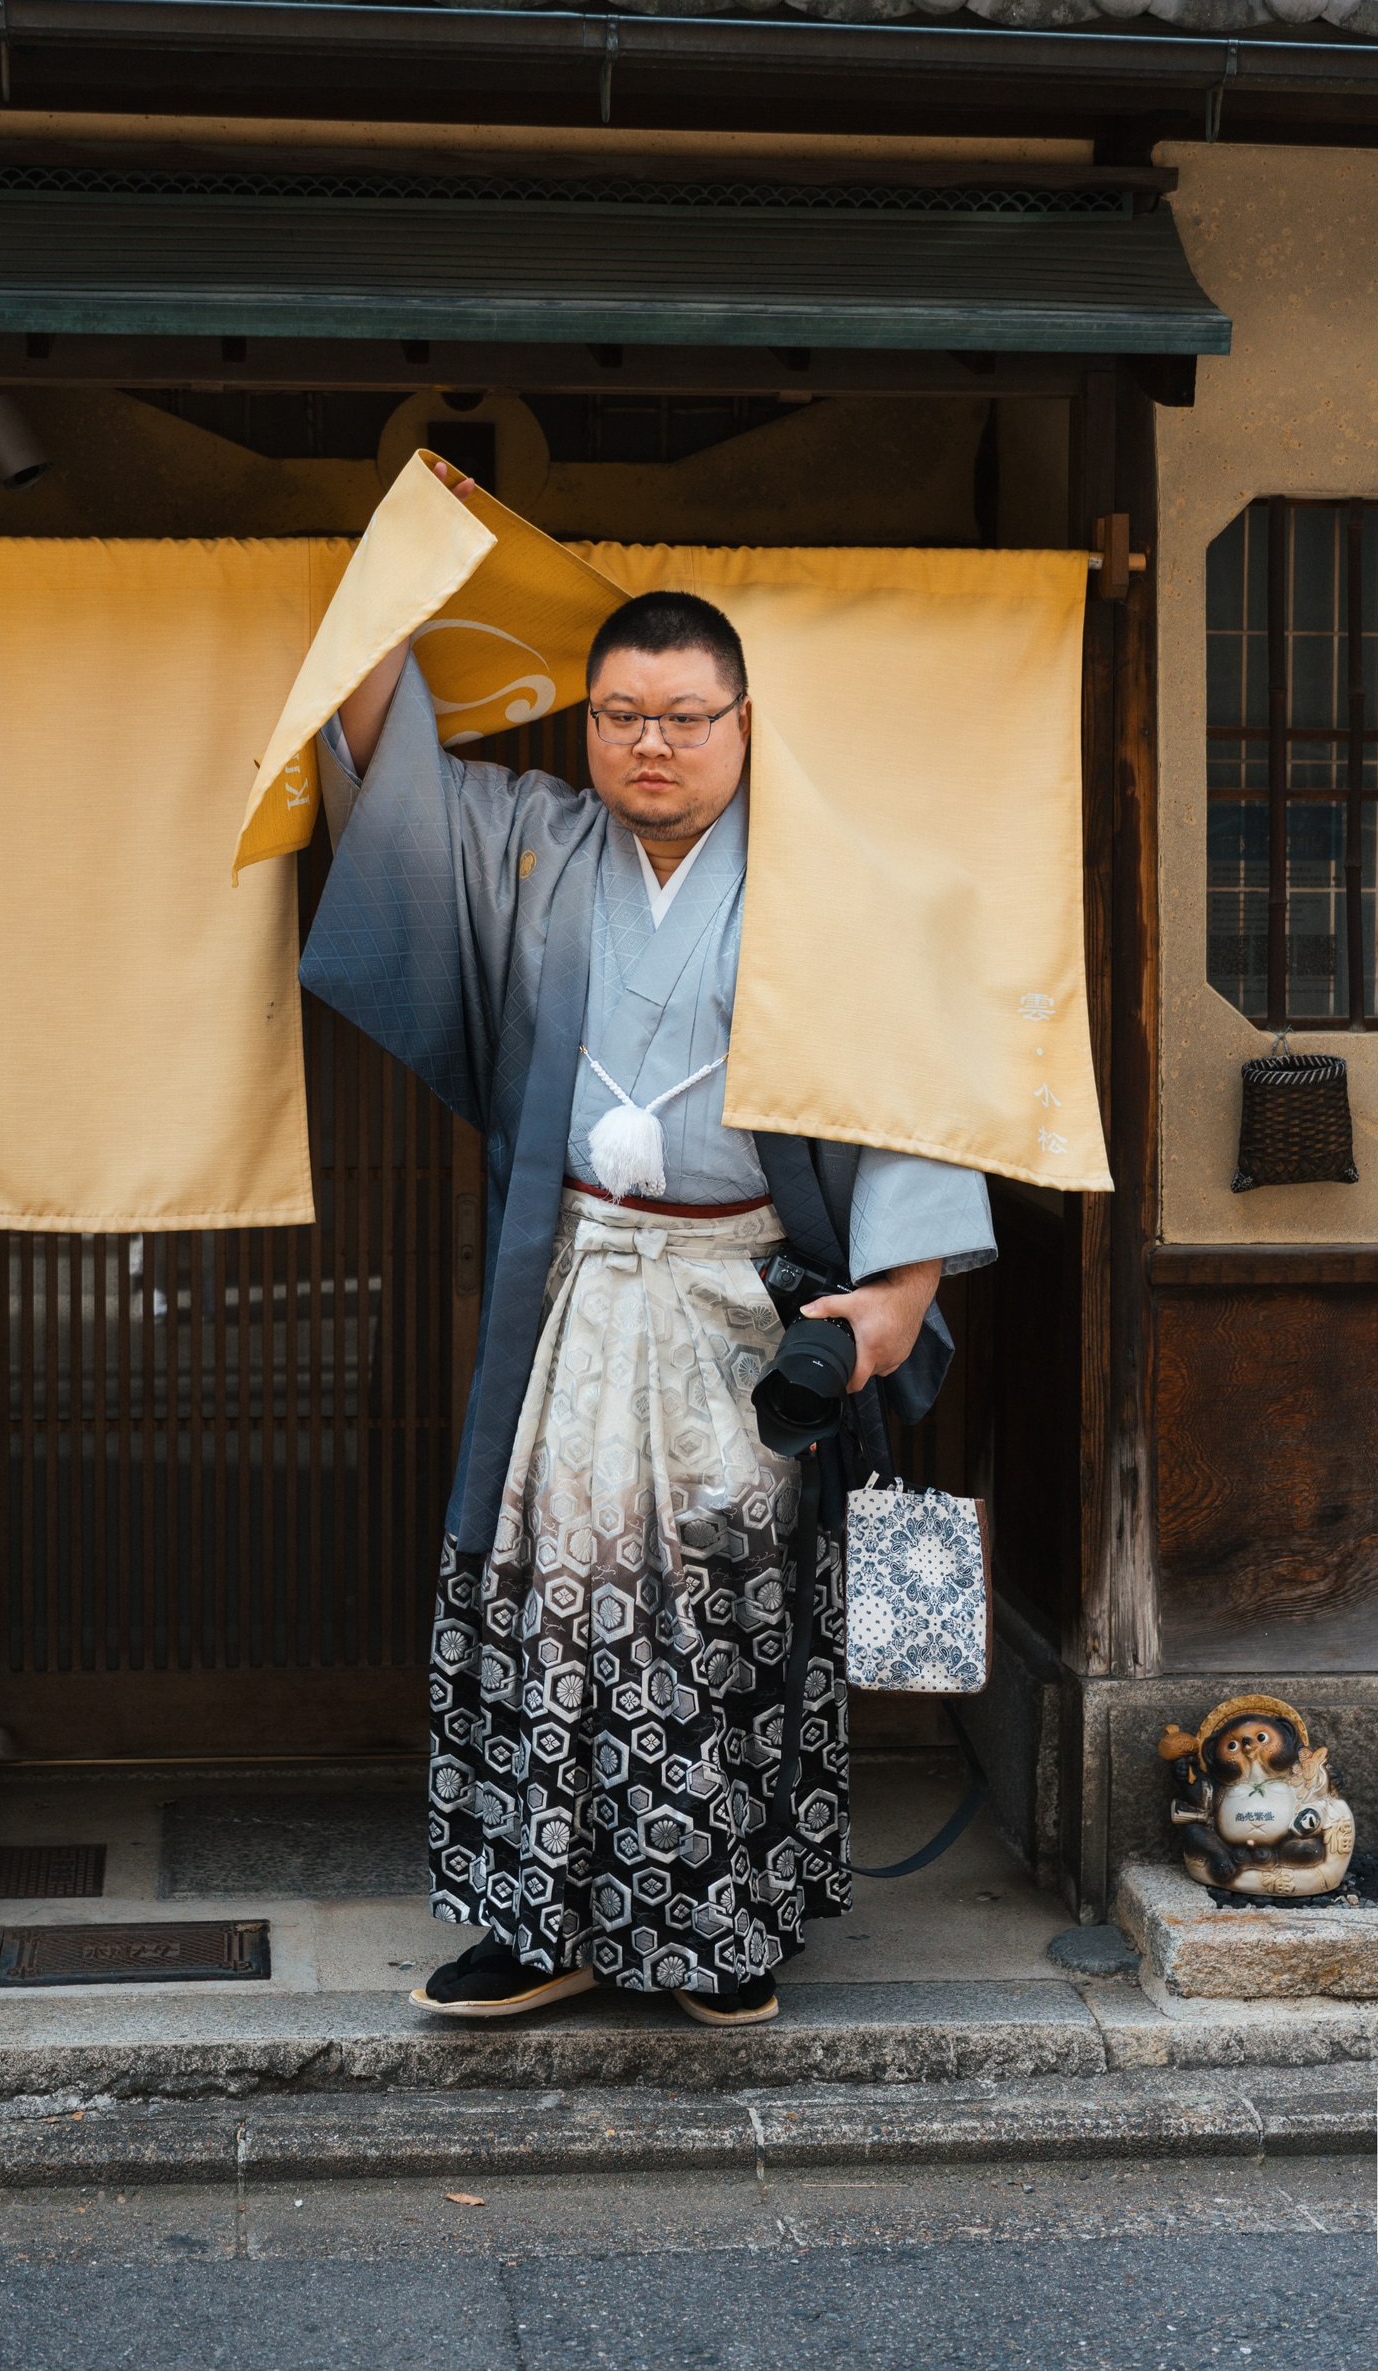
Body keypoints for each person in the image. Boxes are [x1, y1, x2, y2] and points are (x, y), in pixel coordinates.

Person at [300, 466, 995, 2026]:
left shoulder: (827, 886)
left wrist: (877, 1318)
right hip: (580, 1291)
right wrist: (389, 584)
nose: (654, 743)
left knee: (727, 1609)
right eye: (623, 713)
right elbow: (388, 776)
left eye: (688, 714)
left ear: (746, 724)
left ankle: (720, 1927)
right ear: (587, 724)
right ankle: (533, 1917)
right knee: (551, 1596)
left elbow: (905, 1106)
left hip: (744, 1303)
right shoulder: (536, 849)